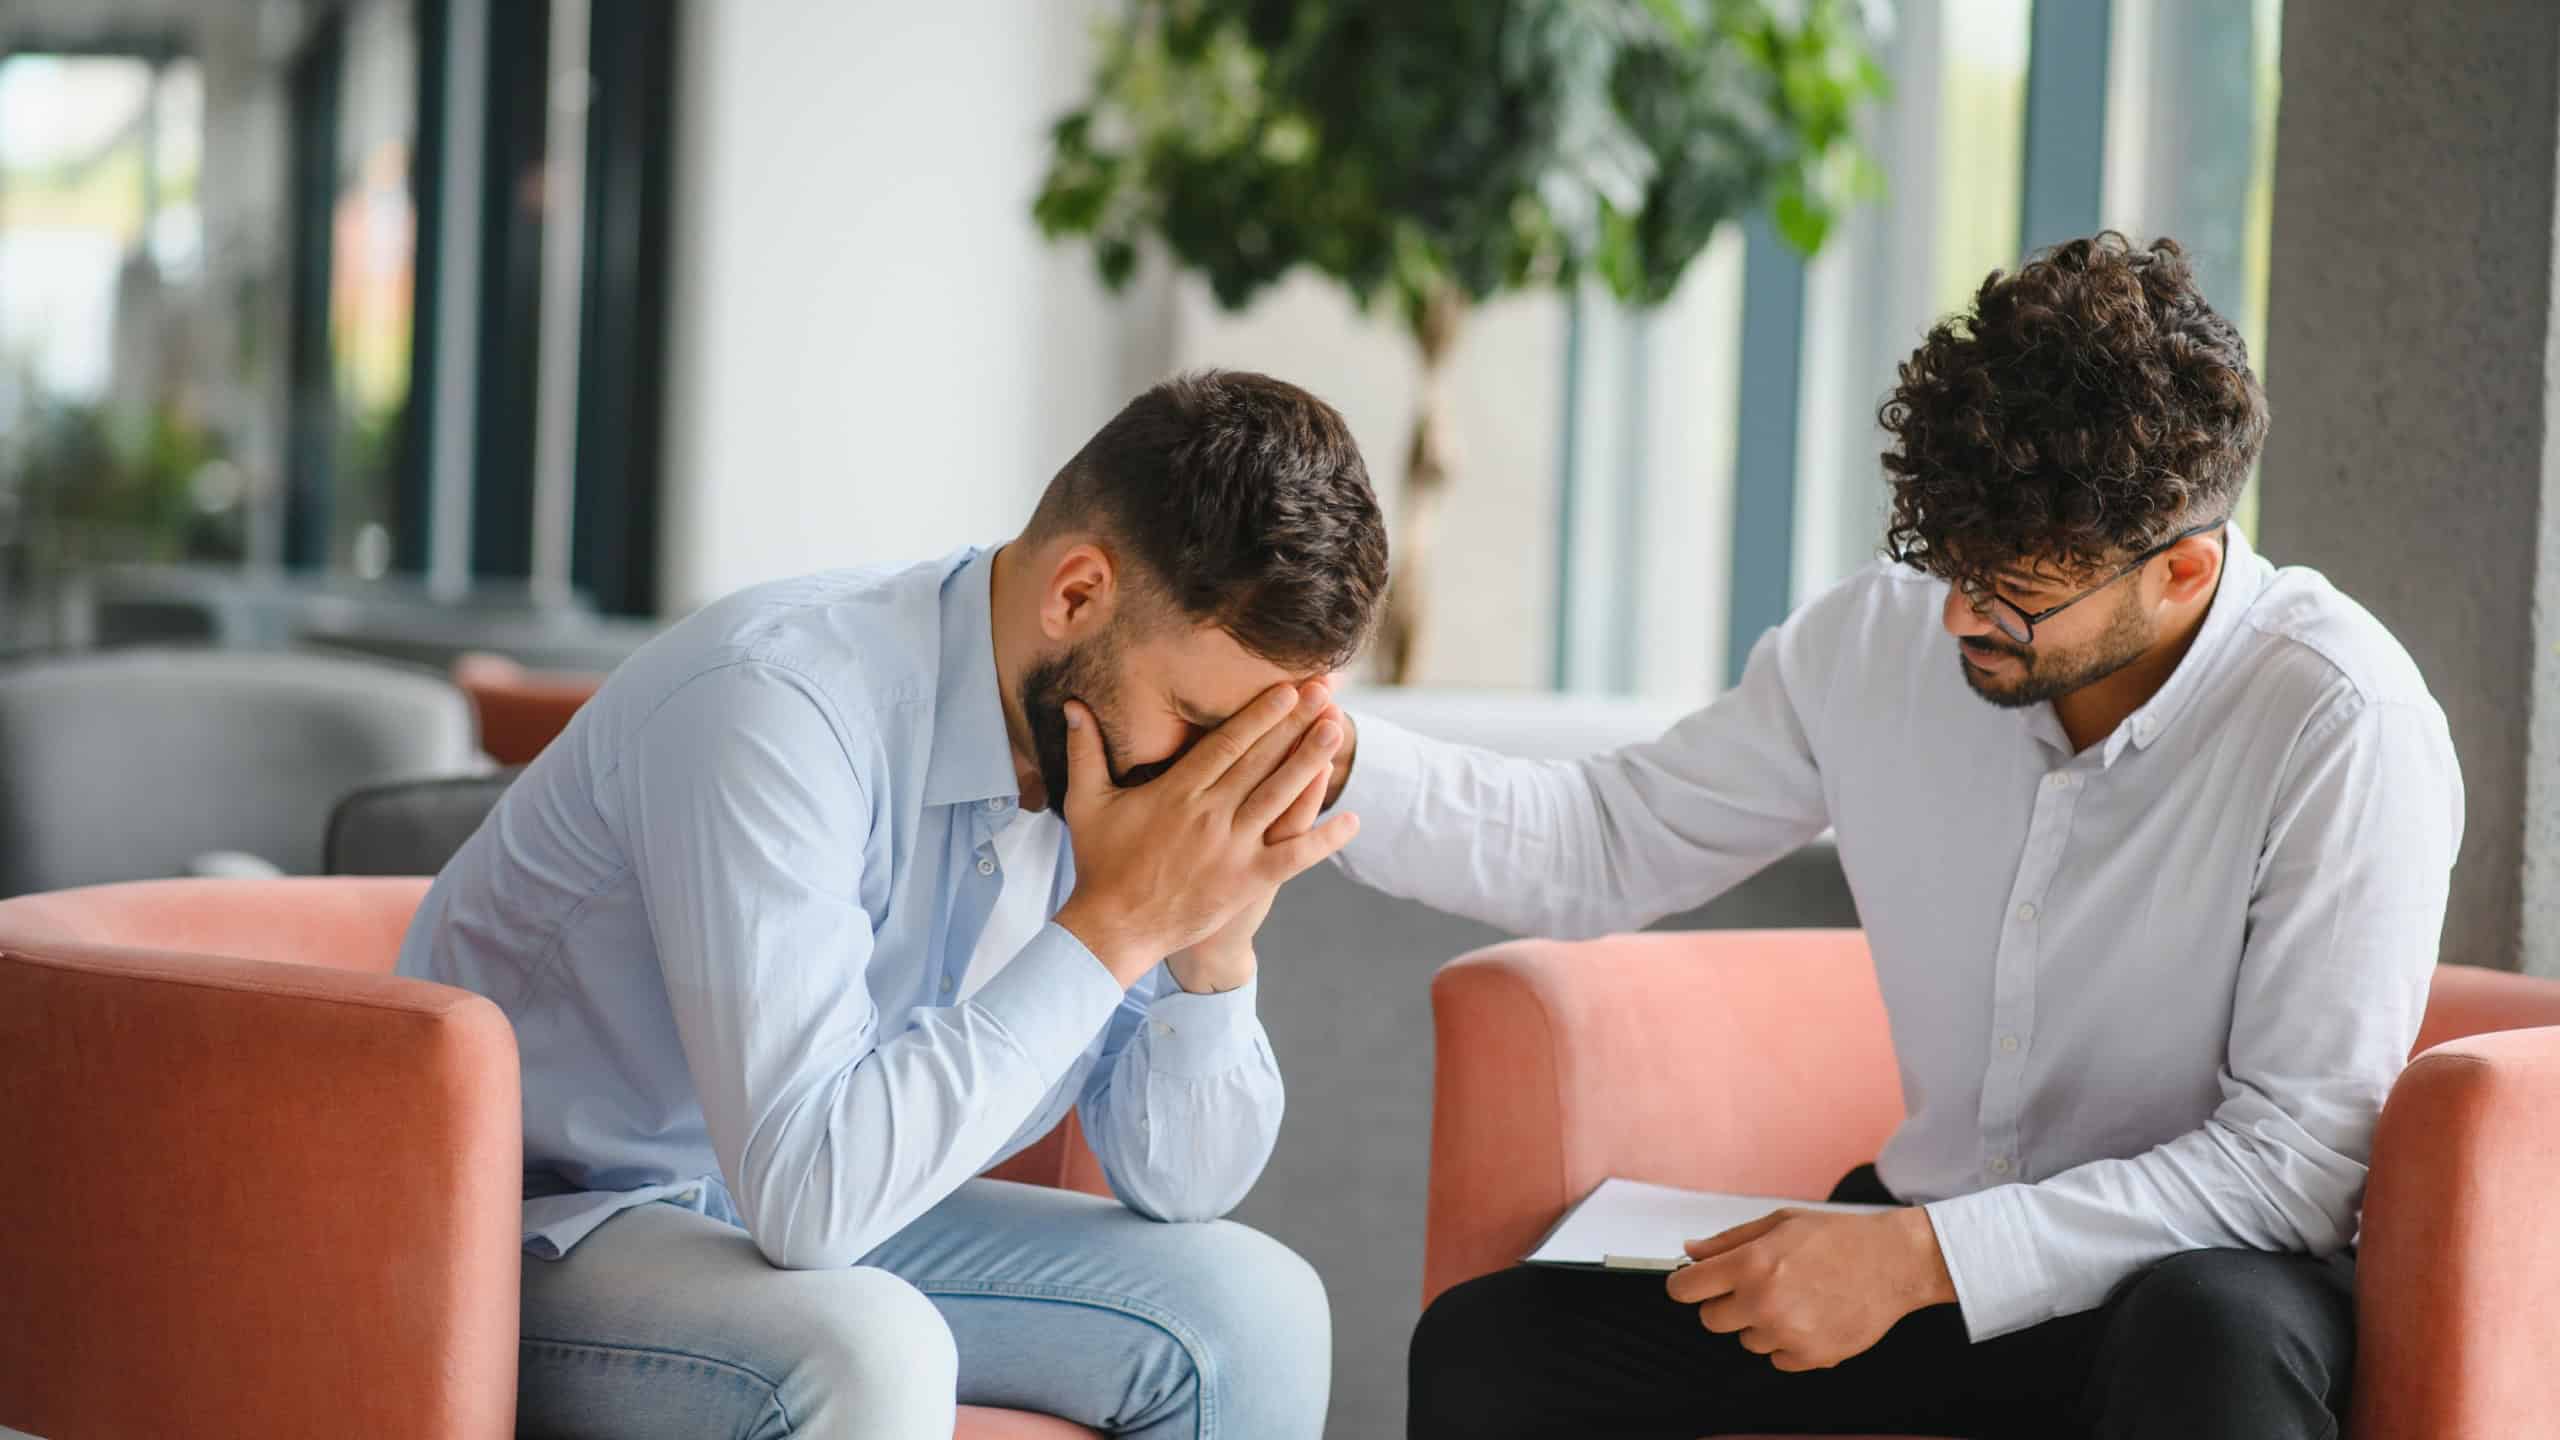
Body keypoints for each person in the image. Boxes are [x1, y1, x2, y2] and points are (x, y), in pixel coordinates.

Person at [1330, 234, 2463, 1439]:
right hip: (1919, 1250)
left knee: (2211, 1338)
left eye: (2017, 591)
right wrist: (1328, 761)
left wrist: (1925, 1259)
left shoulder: (2342, 720)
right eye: (1947, 559)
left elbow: (2291, 1165)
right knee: (1496, 1346)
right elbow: (1604, 838)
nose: (1962, 615)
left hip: (2195, 1277)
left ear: (2180, 571)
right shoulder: (1879, 638)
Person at [400, 369, 1385, 1439]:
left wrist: (1212, 950)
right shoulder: (778, 702)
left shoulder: (1112, 768)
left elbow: (1182, 1185)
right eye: (1200, 724)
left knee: (1257, 1309)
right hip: (532, 1234)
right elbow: (809, 1197)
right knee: (869, 1348)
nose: (1214, 782)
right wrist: (1122, 924)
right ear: (1076, 595)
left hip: (785, 1227)